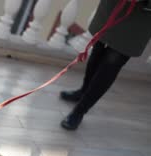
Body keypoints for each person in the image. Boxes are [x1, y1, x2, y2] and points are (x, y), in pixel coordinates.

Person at [60, 0, 151, 130]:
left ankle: (80, 110)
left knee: (113, 60)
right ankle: (83, 91)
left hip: (140, 17)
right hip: (113, 6)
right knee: (98, 48)